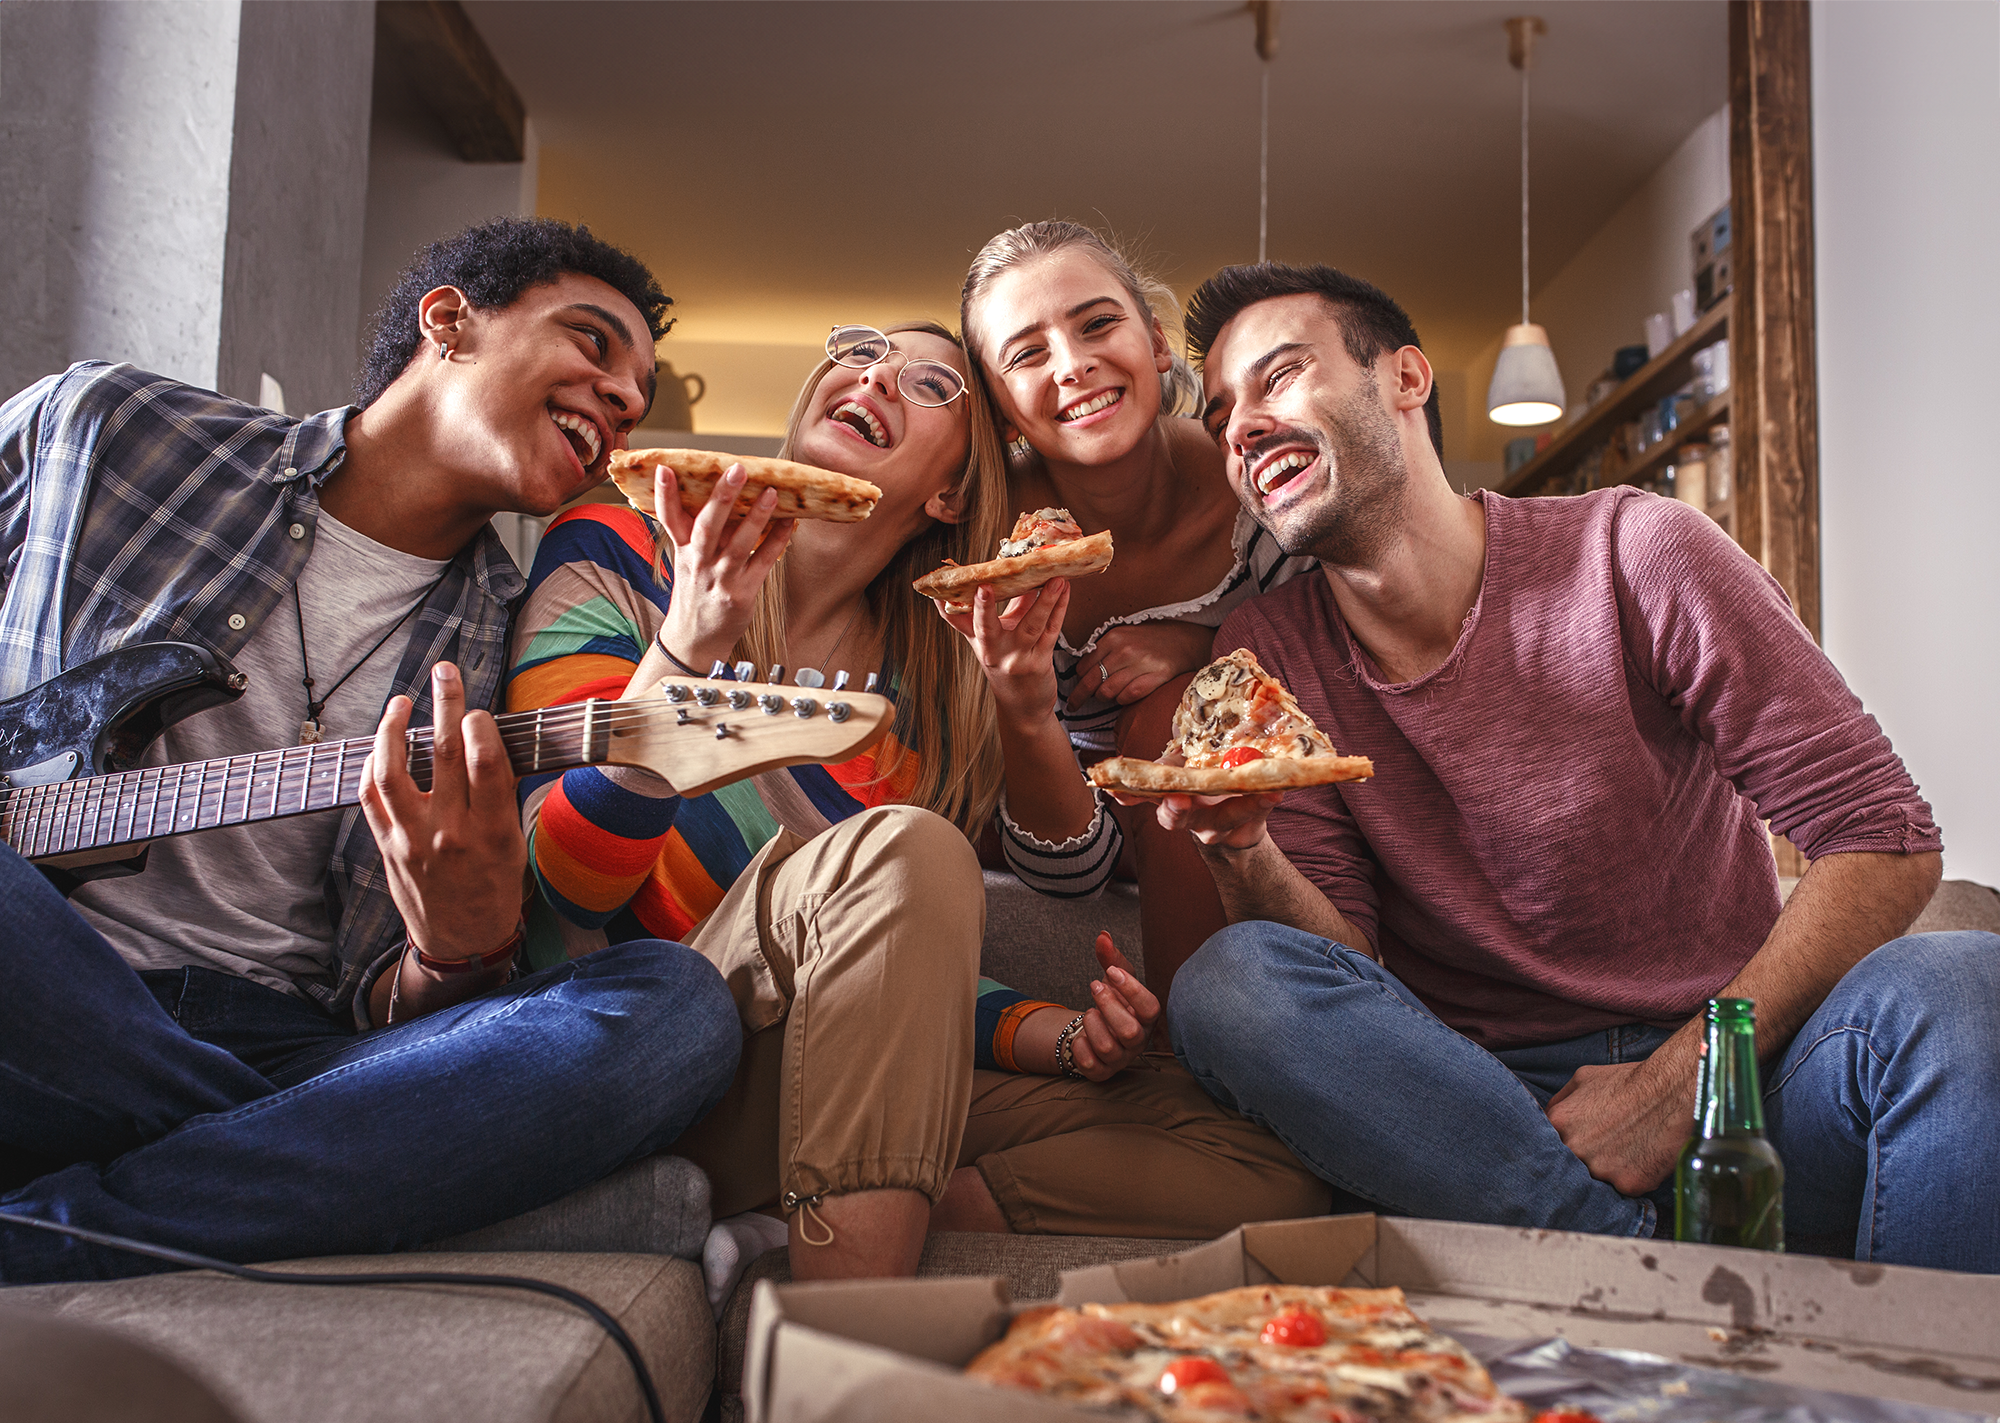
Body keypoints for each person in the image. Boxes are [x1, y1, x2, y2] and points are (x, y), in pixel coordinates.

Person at [1144, 259, 1999, 1272]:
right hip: (1484, 1117)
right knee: (1231, 982)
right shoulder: (1268, 651)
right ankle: (1644, 1273)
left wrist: (1679, 1080)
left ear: (1404, 379)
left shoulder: (1636, 551)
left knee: (1965, 980)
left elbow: (1882, 837)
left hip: (1742, 1080)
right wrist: (1242, 849)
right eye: (1220, 412)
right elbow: (1341, 971)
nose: (1237, 426)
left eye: (1278, 375)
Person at [0, 218, 741, 1282]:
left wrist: (459, 950)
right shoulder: (114, 428)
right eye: (593, 346)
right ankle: (270, 1166)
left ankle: (53, 1225)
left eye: (635, 399)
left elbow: (389, 1003)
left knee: (673, 1013)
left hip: (290, 1037)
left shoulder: (505, 636)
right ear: (449, 321)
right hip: (44, 973)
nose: (622, 403)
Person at [507, 320, 1328, 1279]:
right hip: (635, 1054)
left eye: (929, 382)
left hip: (839, 1068)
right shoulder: (621, 544)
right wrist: (685, 648)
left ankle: (831, 1217)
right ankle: (840, 1336)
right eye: (859, 351)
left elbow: (891, 969)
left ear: (948, 492)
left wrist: (1057, 1036)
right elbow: (566, 886)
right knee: (909, 849)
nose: (878, 375)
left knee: (1263, 1158)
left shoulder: (921, 712)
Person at [951, 222, 1314, 1002]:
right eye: (1026, 354)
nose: (1074, 364)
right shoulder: (996, 552)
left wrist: (1202, 641)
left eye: (1096, 324)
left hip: (1268, 816)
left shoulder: (1257, 481)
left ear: (1155, 342)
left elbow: (1339, 677)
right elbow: (1064, 867)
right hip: (1069, 833)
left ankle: (1199, 1032)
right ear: (1002, 407)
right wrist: (1023, 705)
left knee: (1167, 714)